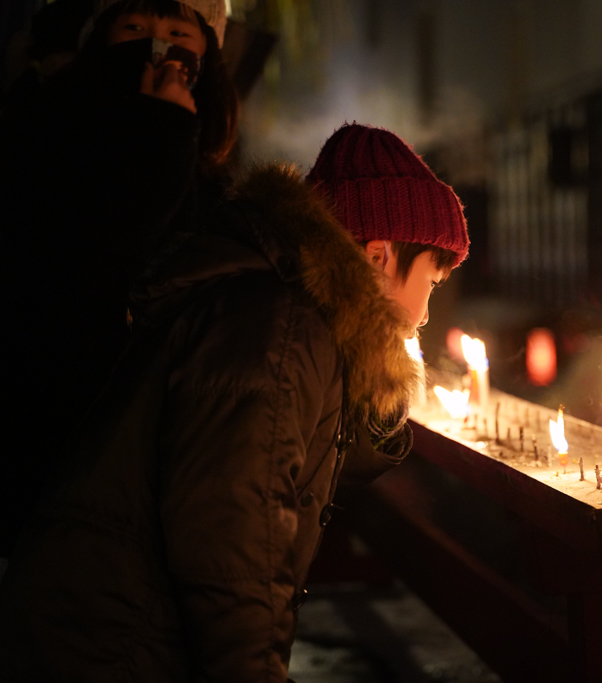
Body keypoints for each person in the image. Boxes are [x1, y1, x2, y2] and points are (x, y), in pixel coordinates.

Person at [0, 123, 469, 681]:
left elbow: (298, 462)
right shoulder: (280, 327)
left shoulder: (289, 312)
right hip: (109, 643)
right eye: (431, 285)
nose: (424, 313)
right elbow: (234, 546)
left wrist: (382, 386)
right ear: (378, 257)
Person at [0, 0, 238, 556]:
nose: (157, 44)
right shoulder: (46, 134)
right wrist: (158, 130)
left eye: (178, 31)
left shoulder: (208, 165)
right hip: (60, 433)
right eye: (134, 28)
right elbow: (96, 268)